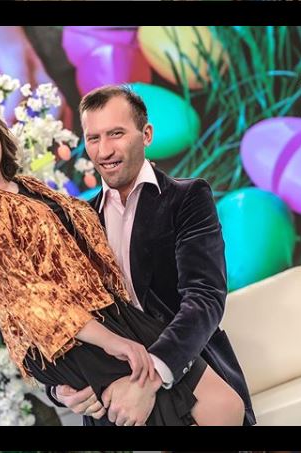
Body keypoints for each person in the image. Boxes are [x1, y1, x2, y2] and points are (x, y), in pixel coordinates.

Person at [0, 91, 245, 426]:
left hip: (118, 323)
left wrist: (141, 368)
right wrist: (102, 349)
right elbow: (23, 294)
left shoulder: (30, 188)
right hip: (84, 334)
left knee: (223, 407)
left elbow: (204, 298)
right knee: (215, 409)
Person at [47, 85, 256, 426]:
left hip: (193, 380)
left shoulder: (188, 198)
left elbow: (205, 298)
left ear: (146, 134)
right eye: (94, 138)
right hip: (114, 401)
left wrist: (151, 377)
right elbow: (59, 316)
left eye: (116, 134)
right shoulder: (77, 223)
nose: (104, 150)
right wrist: (60, 389)